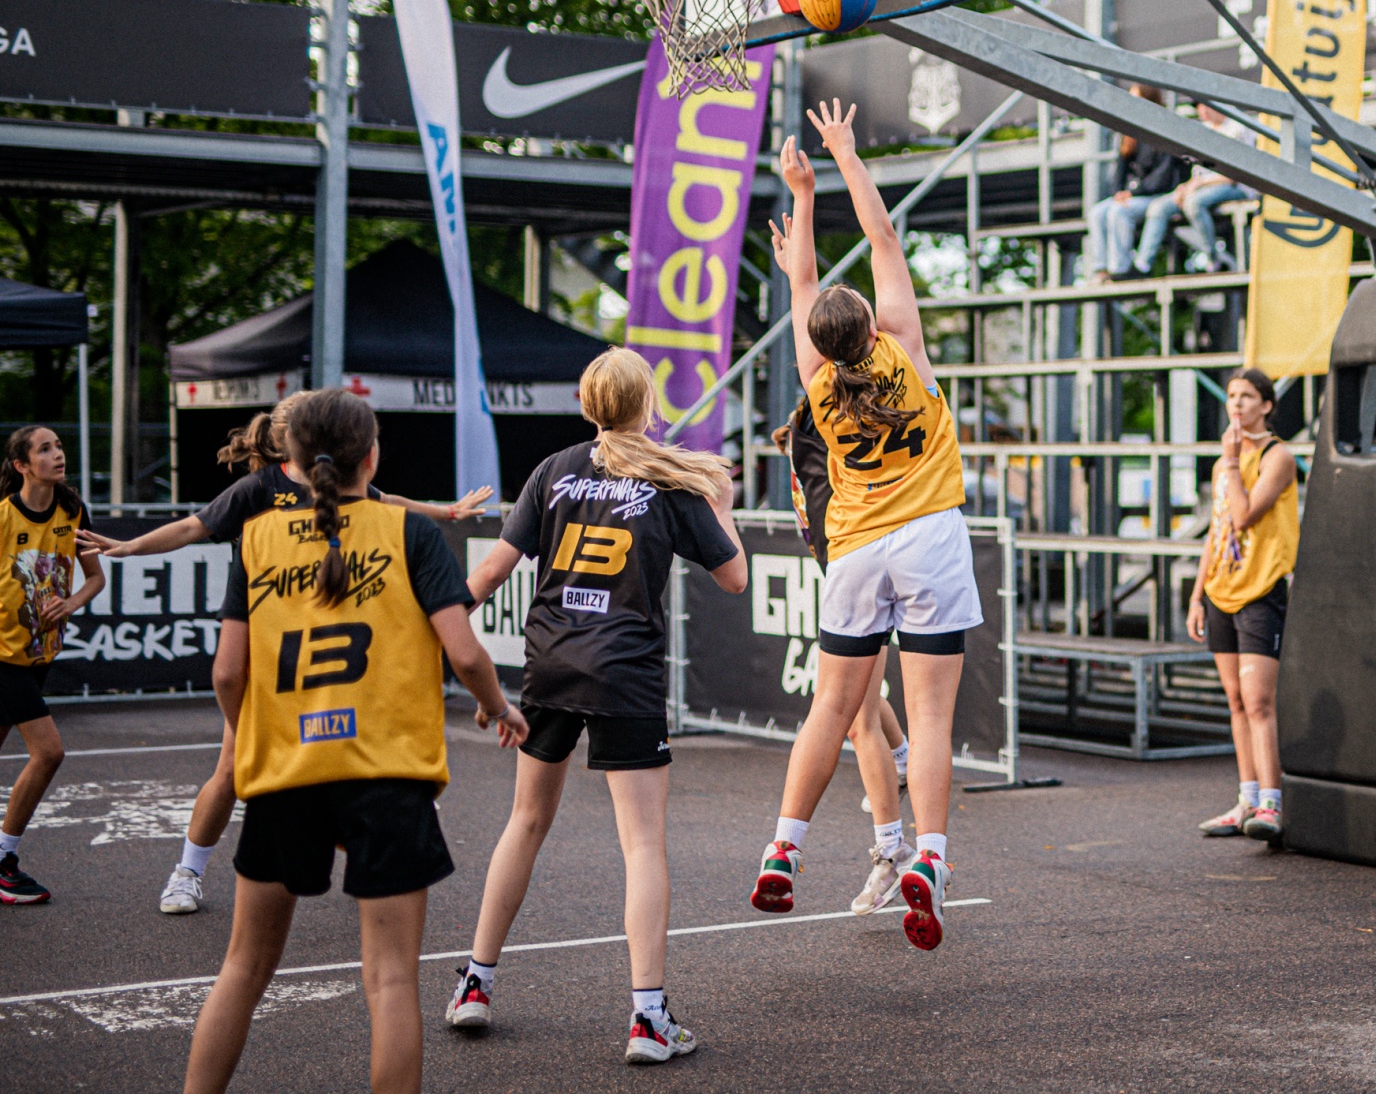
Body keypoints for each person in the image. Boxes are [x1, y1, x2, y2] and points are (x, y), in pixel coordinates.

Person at [182, 390, 526, 1094]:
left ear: (292, 459)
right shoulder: (407, 532)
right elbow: (464, 652)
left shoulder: (259, 539)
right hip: (387, 773)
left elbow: (227, 672)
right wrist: (498, 707)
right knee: (391, 979)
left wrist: (251, 734)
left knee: (243, 967)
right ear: (371, 457)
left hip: (287, 770)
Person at [78, 399, 491, 918]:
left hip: (329, 651)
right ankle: (187, 871)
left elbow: (392, 502)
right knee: (233, 768)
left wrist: (448, 511)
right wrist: (130, 546)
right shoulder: (259, 490)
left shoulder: (350, 487)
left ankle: (376, 855)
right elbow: (191, 528)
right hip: (275, 655)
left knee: (349, 765)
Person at [449, 347, 747, 1064]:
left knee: (525, 822)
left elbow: (487, 574)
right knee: (641, 844)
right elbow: (735, 578)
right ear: (647, 405)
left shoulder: (553, 470)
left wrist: (433, 634)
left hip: (552, 663)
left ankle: (475, 984)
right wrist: (723, 509)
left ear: (587, 407)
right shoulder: (669, 481)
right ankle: (648, 1018)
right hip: (625, 673)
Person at [754, 98, 975, 952]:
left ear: (820, 339)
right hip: (928, 537)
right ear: (873, 325)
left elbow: (803, 287)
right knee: (930, 719)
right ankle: (930, 858)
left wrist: (800, 198)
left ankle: (785, 845)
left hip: (854, 546)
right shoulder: (905, 346)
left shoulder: (815, 377)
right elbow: (882, 235)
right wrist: (842, 155)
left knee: (832, 708)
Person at [774, 409, 914, 911]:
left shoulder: (829, 426)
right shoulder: (805, 430)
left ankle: (892, 851)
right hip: (846, 567)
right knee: (857, 702)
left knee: (856, 717)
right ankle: (903, 762)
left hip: (865, 565)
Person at [1186, 369, 1300, 841]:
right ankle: (1246, 799)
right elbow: (1218, 530)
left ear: (1266, 406)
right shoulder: (1223, 465)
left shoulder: (1278, 457)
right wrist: (1197, 594)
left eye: (1247, 396)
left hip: (1259, 591)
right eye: (1232, 395)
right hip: (1221, 591)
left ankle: (1271, 802)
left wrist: (1233, 463)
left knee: (1258, 702)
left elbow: (1245, 515)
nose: (1236, 403)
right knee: (1235, 701)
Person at [0, 426, 105, 904]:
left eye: (59, 446)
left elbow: (95, 577)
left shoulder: (72, 510)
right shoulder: (4, 516)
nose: (58, 454)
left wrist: (70, 603)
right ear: (22, 465)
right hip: (3, 657)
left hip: (39, 652)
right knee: (49, 753)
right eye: (45, 449)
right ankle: (4, 860)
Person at [1085, 87, 1186, 283]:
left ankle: (1120, 269)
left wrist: (1132, 193)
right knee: (1096, 213)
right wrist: (1118, 193)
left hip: (1158, 195)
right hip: (1135, 194)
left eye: (1134, 98)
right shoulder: (1129, 132)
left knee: (1118, 212)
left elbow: (1162, 178)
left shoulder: (1166, 129)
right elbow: (1120, 169)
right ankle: (1101, 269)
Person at [1154, 103, 1258, 274]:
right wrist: (1186, 187)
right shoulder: (1205, 129)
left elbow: (1234, 176)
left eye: (1205, 106)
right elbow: (1198, 173)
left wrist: (1198, 184)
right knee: (1160, 207)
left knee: (1194, 203)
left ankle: (1212, 259)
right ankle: (1142, 266)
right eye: (1199, 107)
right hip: (1205, 188)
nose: (1202, 111)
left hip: (1238, 187)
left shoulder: (1237, 129)